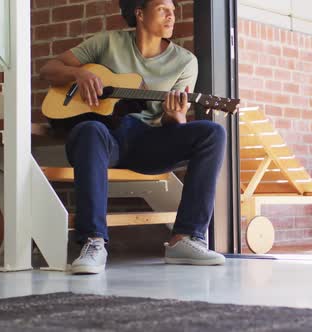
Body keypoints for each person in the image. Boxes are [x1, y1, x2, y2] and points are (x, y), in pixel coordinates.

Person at [39, 0, 226, 274]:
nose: (171, 16)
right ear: (140, 13)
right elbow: (49, 70)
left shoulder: (185, 62)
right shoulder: (107, 43)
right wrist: (79, 73)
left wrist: (175, 115)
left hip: (148, 140)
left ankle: (184, 238)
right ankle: (93, 241)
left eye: (173, 11)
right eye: (163, 9)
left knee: (213, 133)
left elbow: (175, 122)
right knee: (88, 129)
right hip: (105, 137)